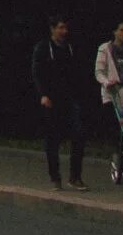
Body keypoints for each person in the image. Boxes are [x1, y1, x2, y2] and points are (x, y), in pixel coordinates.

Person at [31, 15, 98, 189]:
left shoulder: (69, 48)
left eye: (65, 28)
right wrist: (43, 94)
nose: (63, 32)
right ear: (52, 29)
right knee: (52, 140)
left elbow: (76, 72)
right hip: (51, 99)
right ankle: (55, 177)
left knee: (79, 135)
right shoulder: (44, 48)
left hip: (69, 98)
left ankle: (75, 176)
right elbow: (37, 73)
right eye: (60, 28)